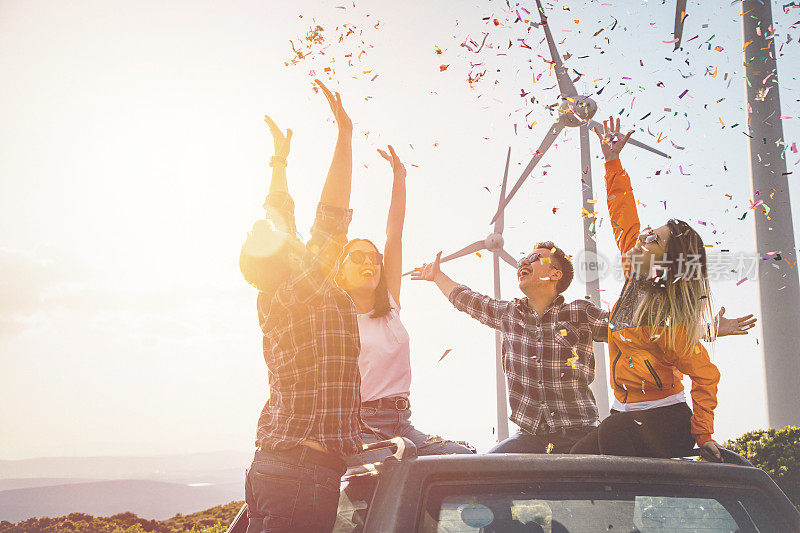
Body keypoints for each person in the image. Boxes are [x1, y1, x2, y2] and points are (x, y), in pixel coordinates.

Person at [570, 117, 757, 461]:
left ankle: (623, 515)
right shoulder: (633, 270)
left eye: (653, 238)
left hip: (665, 423)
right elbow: (624, 216)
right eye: (647, 233)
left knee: (609, 437)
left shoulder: (668, 320)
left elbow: (706, 375)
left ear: (667, 260)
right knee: (571, 462)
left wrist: (703, 434)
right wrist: (612, 160)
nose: (643, 237)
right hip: (624, 416)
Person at [239, 80, 361, 533]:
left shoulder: (280, 294)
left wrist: (279, 160)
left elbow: (278, 211)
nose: (261, 225)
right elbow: (332, 216)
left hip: (274, 465)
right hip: (301, 473)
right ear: (284, 257)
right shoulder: (302, 290)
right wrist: (345, 137)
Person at [336, 146, 473, 466]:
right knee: (391, 474)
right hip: (361, 427)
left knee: (463, 458)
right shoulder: (337, 318)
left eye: (373, 258)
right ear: (340, 269)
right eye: (357, 257)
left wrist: (400, 177)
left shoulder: (391, 305)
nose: (368, 261)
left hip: (403, 424)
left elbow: (393, 234)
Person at [411, 241, 609, 454]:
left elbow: (626, 329)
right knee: (484, 472)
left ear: (555, 274)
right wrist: (437, 276)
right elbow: (468, 299)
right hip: (528, 437)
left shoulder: (579, 311)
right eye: (524, 258)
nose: (524, 261)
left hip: (579, 434)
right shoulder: (509, 314)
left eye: (535, 258)